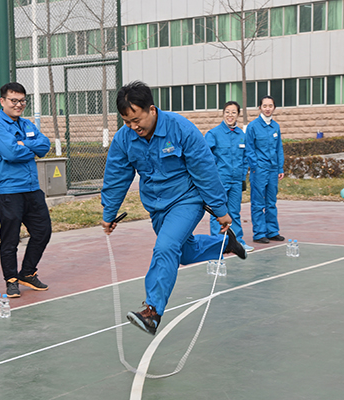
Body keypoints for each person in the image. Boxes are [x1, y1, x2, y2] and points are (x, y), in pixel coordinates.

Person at [101, 81, 247, 336]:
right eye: (127, 122)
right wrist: (109, 213)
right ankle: (224, 245)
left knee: (166, 247)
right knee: (181, 253)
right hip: (156, 206)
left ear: (152, 109)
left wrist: (221, 209)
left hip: (186, 200)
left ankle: (152, 311)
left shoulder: (180, 129)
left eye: (137, 120)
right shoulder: (125, 139)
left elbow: (204, 170)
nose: (134, 127)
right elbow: (116, 177)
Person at [0, 82, 52, 298]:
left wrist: (22, 145)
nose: (18, 105)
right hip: (7, 191)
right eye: (13, 101)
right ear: (2, 101)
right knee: (11, 237)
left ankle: (27, 273)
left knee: (43, 232)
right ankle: (11, 279)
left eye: (22, 101)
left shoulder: (27, 124)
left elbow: (45, 146)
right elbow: (11, 154)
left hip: (32, 188)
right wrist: (27, 147)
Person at [205, 101, 254, 252]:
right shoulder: (214, 134)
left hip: (236, 181)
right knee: (217, 212)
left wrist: (242, 175)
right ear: (223, 113)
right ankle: (217, 242)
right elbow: (206, 156)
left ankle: (237, 241)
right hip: (220, 180)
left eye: (233, 112)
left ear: (238, 115)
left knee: (234, 212)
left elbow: (245, 157)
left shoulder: (241, 135)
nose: (230, 115)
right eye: (227, 112)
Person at [245, 96, 285, 244]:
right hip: (259, 170)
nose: (267, 108)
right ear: (260, 108)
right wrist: (255, 166)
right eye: (264, 106)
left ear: (274, 107)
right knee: (258, 202)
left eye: (270, 106)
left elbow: (278, 148)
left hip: (273, 169)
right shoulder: (253, 126)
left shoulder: (276, 126)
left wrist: (280, 167)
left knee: (271, 202)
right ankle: (259, 233)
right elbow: (249, 149)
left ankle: (272, 231)